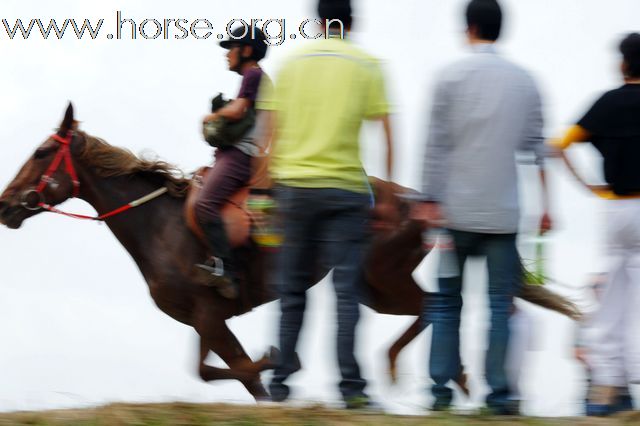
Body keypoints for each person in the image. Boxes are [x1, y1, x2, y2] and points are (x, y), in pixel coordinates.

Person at [414, 0, 551, 414]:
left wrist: (427, 200)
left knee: (445, 301)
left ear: (469, 27)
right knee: (498, 307)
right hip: (503, 216)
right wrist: (546, 205)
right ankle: (498, 395)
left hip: (451, 218)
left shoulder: (449, 77)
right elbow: (536, 149)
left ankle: (439, 391)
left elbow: (435, 146)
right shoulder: (526, 81)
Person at [257, 0, 394, 408]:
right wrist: (385, 197)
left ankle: (280, 385)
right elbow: (387, 132)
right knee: (347, 293)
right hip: (346, 191)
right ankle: (351, 389)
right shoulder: (368, 64)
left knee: (291, 290)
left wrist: (262, 194)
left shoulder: (290, 64)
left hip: (294, 190)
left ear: (318, 22)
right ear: (350, 22)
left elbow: (270, 136)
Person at [551, 32, 640, 416]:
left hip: (614, 210)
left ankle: (607, 390)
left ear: (623, 63)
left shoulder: (607, 102)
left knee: (612, 299)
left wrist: (590, 186)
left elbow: (558, 146)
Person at [194, 26, 271, 298]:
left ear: (246, 51)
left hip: (241, 156)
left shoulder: (254, 75)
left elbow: (239, 110)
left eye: (231, 48)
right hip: (239, 154)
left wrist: (210, 117)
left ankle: (227, 269)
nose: (227, 55)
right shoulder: (254, 78)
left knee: (205, 203)